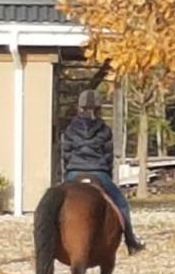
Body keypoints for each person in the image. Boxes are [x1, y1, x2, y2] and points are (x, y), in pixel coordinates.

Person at [61, 89, 145, 254]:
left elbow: (66, 154)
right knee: (121, 204)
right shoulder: (105, 130)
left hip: (74, 172)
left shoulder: (70, 129)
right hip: (99, 172)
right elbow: (108, 157)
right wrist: (107, 175)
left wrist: (67, 174)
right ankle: (131, 241)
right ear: (99, 109)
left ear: (80, 108)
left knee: (56, 203)